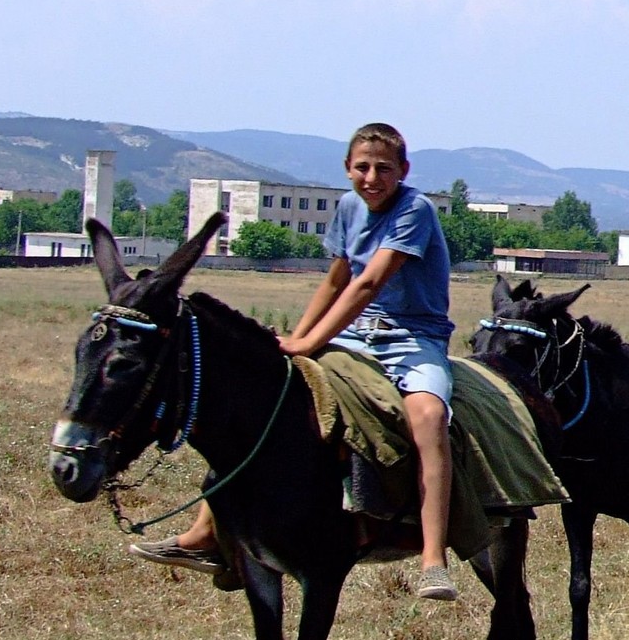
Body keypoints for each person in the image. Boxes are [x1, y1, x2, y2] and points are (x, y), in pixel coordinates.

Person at [130, 122, 462, 600]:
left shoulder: (416, 209)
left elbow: (368, 284)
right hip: (352, 336)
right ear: (347, 169)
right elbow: (336, 280)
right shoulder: (349, 208)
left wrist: (310, 344)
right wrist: (297, 338)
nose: (372, 177)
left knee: (428, 417)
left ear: (403, 171)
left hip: (413, 338)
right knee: (266, 401)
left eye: (384, 169)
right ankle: (206, 532)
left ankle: (433, 558)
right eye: (362, 167)